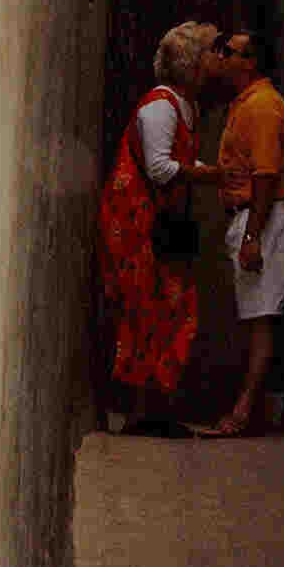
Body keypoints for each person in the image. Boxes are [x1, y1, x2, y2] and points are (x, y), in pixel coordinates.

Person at [97, 21, 221, 433]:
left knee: (171, 306)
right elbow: (159, 168)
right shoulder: (161, 106)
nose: (214, 61)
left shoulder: (185, 106)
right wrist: (210, 175)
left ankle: (156, 408)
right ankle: (142, 411)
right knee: (145, 309)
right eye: (208, 54)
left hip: (160, 219)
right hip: (136, 221)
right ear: (191, 65)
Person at [208, 28, 284, 436]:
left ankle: (245, 411)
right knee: (253, 314)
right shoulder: (247, 102)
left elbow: (265, 175)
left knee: (261, 316)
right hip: (253, 216)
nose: (220, 57)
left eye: (227, 51)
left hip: (263, 217)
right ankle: (251, 406)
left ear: (249, 62)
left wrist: (252, 236)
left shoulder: (262, 107)